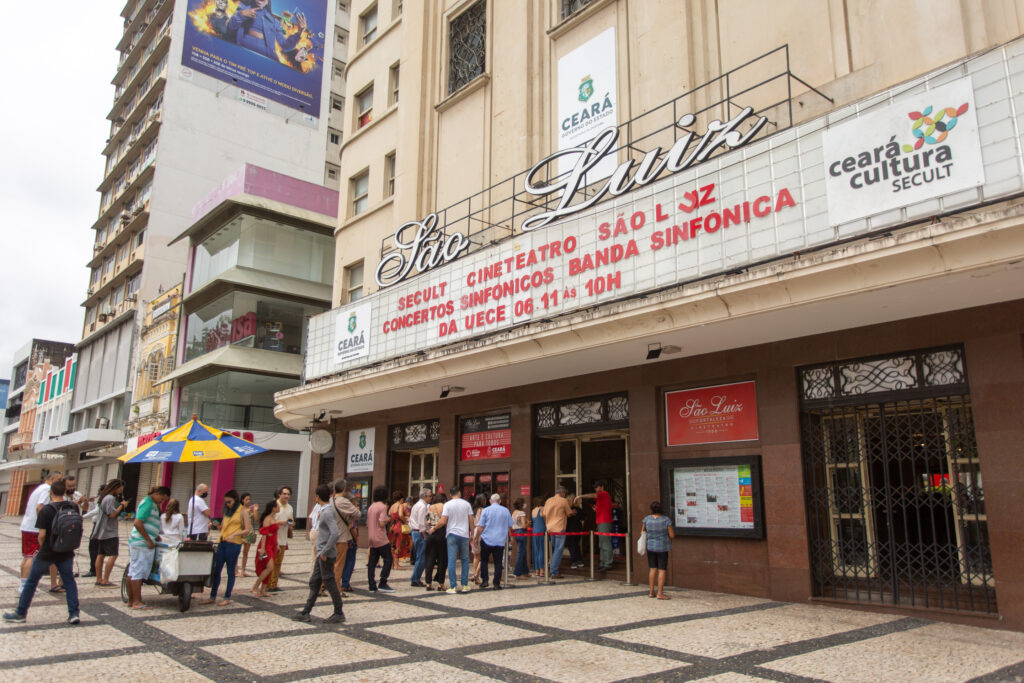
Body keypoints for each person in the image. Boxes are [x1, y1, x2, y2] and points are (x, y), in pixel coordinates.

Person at [3, 479, 81, 625]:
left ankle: (20, 613)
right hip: (66, 550)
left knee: (32, 581)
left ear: (51, 492)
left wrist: (43, 547)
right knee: (69, 581)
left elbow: (42, 535)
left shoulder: (47, 510)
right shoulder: (73, 507)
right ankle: (74, 613)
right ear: (64, 491)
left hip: (48, 550)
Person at [293, 485, 345, 623]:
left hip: (325, 554)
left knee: (329, 582)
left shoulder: (327, 512)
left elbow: (335, 533)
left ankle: (339, 612)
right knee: (315, 581)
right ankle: (306, 611)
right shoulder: (325, 510)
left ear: (317, 496)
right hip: (322, 553)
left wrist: (325, 551)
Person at [202, 489, 251, 607]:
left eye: (229, 502)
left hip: (234, 544)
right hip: (222, 542)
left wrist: (234, 534)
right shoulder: (227, 512)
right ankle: (212, 596)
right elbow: (224, 528)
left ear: (235, 500)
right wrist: (217, 526)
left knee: (230, 571)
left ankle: (227, 597)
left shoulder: (242, 511)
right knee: (216, 570)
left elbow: (247, 529)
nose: (227, 504)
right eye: (226, 502)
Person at [126, 486, 171, 610]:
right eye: (162, 498)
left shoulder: (153, 504)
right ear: (157, 494)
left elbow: (148, 523)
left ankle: (131, 600)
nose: (162, 501)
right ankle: (136, 602)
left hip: (142, 542)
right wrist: (148, 539)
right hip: (141, 543)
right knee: (137, 572)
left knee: (133, 571)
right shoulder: (148, 503)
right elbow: (138, 522)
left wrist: (155, 536)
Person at [19, 471, 63, 596]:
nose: (60, 482)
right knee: (31, 557)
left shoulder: (39, 488)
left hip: (27, 526)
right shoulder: (47, 490)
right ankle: (25, 586)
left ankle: (23, 584)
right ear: (53, 479)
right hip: (34, 528)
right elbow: (40, 507)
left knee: (27, 556)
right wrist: (43, 524)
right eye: (59, 479)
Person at [227, 0, 307, 62]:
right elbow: (231, 27)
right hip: (243, 51)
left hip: (266, 56)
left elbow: (285, 45)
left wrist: (300, 32)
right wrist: (241, 15)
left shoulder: (274, 21)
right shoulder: (243, 8)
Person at [438, 486, 475, 594]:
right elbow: (471, 520)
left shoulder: (447, 505)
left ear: (450, 494)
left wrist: (435, 527)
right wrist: (472, 533)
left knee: (452, 560)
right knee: (465, 559)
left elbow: (444, 520)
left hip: (451, 534)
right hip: (464, 534)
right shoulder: (466, 504)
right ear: (459, 493)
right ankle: (464, 585)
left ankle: (453, 586)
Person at [93, 479, 129, 587]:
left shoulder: (104, 497)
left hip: (102, 531)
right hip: (109, 531)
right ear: (116, 487)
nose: (121, 491)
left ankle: (99, 579)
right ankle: (105, 579)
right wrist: (122, 506)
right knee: (113, 555)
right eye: (121, 488)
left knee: (101, 554)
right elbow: (112, 514)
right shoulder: (110, 498)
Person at [329, 479, 361, 593]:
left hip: (330, 535)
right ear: (343, 489)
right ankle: (336, 587)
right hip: (341, 536)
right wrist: (349, 520)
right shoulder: (343, 501)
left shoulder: (331, 500)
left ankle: (325, 585)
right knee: (339, 563)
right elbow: (357, 514)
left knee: (330, 562)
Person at [477, 493, 514, 589]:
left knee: (484, 560)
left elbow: (481, 526)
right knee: (498, 562)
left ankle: (485, 580)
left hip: (486, 539)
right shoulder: (506, 511)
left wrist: (476, 537)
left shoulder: (486, 510)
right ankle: (496, 583)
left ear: (490, 501)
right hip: (500, 540)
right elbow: (510, 526)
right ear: (500, 501)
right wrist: (511, 537)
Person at [578, 480, 614, 571]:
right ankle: (603, 562)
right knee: (602, 543)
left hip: (604, 521)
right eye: (595, 487)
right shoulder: (600, 498)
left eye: (597, 487)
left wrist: (580, 496)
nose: (596, 489)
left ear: (602, 487)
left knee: (605, 543)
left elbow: (592, 495)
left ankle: (607, 563)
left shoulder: (604, 493)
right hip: (601, 522)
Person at [642, 501, 675, 600]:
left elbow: (643, 531)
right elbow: (672, 535)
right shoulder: (666, 520)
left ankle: (651, 591)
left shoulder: (647, 519)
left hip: (650, 547)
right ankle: (660, 593)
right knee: (662, 570)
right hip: (662, 548)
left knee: (652, 569)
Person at [542, 486, 576, 579]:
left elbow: (543, 514)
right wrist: (573, 512)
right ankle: (554, 571)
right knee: (558, 549)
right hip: (560, 528)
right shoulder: (563, 501)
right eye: (565, 493)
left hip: (550, 528)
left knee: (554, 548)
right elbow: (569, 513)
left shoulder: (548, 500)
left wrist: (547, 524)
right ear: (563, 493)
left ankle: (552, 569)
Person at [366, 486, 394, 593]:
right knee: (388, 559)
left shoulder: (371, 507)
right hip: (380, 537)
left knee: (372, 562)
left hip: (371, 537)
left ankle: (371, 585)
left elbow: (368, 523)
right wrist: (388, 518)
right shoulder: (382, 507)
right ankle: (383, 582)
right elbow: (382, 522)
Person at [252, 500, 281, 597]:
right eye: (277, 506)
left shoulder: (273, 518)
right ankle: (255, 586)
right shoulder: (267, 519)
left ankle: (263, 589)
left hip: (272, 545)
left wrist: (277, 545)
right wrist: (263, 548)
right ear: (273, 508)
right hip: (266, 545)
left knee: (270, 568)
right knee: (269, 567)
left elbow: (275, 533)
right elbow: (264, 534)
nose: (279, 508)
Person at [268, 486, 294, 593]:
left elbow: (291, 520)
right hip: (273, 538)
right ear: (279, 494)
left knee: (278, 563)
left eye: (288, 494)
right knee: (271, 563)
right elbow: (267, 521)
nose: (286, 496)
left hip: (283, 539)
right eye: (284, 494)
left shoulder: (290, 507)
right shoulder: (274, 506)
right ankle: (267, 584)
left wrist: (290, 524)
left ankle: (273, 585)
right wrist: (280, 522)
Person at [423, 492, 448, 591]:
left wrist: (433, 526)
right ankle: (440, 583)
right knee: (442, 559)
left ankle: (428, 583)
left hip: (432, 533)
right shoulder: (445, 506)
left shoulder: (431, 507)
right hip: (442, 534)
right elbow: (446, 521)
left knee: (430, 559)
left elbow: (427, 521)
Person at [409, 488, 431, 587]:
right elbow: (421, 523)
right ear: (424, 496)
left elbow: (411, 520)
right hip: (419, 533)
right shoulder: (422, 506)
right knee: (421, 557)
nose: (431, 498)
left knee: (420, 556)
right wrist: (424, 535)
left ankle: (415, 577)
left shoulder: (416, 505)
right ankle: (415, 578)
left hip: (415, 531)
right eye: (430, 496)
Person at [82, 485, 104, 578]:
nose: (98, 492)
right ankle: (94, 569)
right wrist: (90, 502)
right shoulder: (99, 499)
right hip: (95, 524)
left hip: (99, 526)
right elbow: (91, 510)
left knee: (94, 547)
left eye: (99, 490)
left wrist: (82, 517)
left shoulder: (104, 500)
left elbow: (96, 511)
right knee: (93, 548)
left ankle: (94, 570)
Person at [388, 490, 411, 569]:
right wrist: (404, 521)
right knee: (398, 544)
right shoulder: (400, 505)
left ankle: (392, 564)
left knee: (392, 544)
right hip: (399, 526)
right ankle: (397, 565)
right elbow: (401, 515)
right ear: (401, 498)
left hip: (392, 526)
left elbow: (389, 516)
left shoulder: (392, 506)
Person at [237, 493, 257, 577]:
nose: (248, 501)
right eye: (246, 499)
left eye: (249, 499)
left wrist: (255, 510)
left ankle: (243, 570)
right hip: (240, 531)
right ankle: (235, 570)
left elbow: (256, 520)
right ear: (242, 500)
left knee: (246, 552)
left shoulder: (251, 509)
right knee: (236, 552)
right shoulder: (239, 509)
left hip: (249, 532)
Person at [511, 498, 531, 579]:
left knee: (523, 552)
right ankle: (518, 573)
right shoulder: (522, 513)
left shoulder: (514, 513)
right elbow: (523, 525)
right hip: (522, 531)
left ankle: (525, 571)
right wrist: (528, 523)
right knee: (521, 552)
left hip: (515, 532)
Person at [469, 494, 487, 585]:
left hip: (473, 531)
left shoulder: (473, 510)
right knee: (483, 555)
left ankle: (476, 576)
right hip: (481, 532)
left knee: (476, 556)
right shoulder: (483, 510)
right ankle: (476, 575)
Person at [530, 495, 547, 578]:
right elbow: (545, 519)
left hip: (534, 531)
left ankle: (536, 570)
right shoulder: (542, 509)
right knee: (541, 550)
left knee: (536, 550)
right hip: (541, 531)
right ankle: (542, 570)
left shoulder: (533, 510)